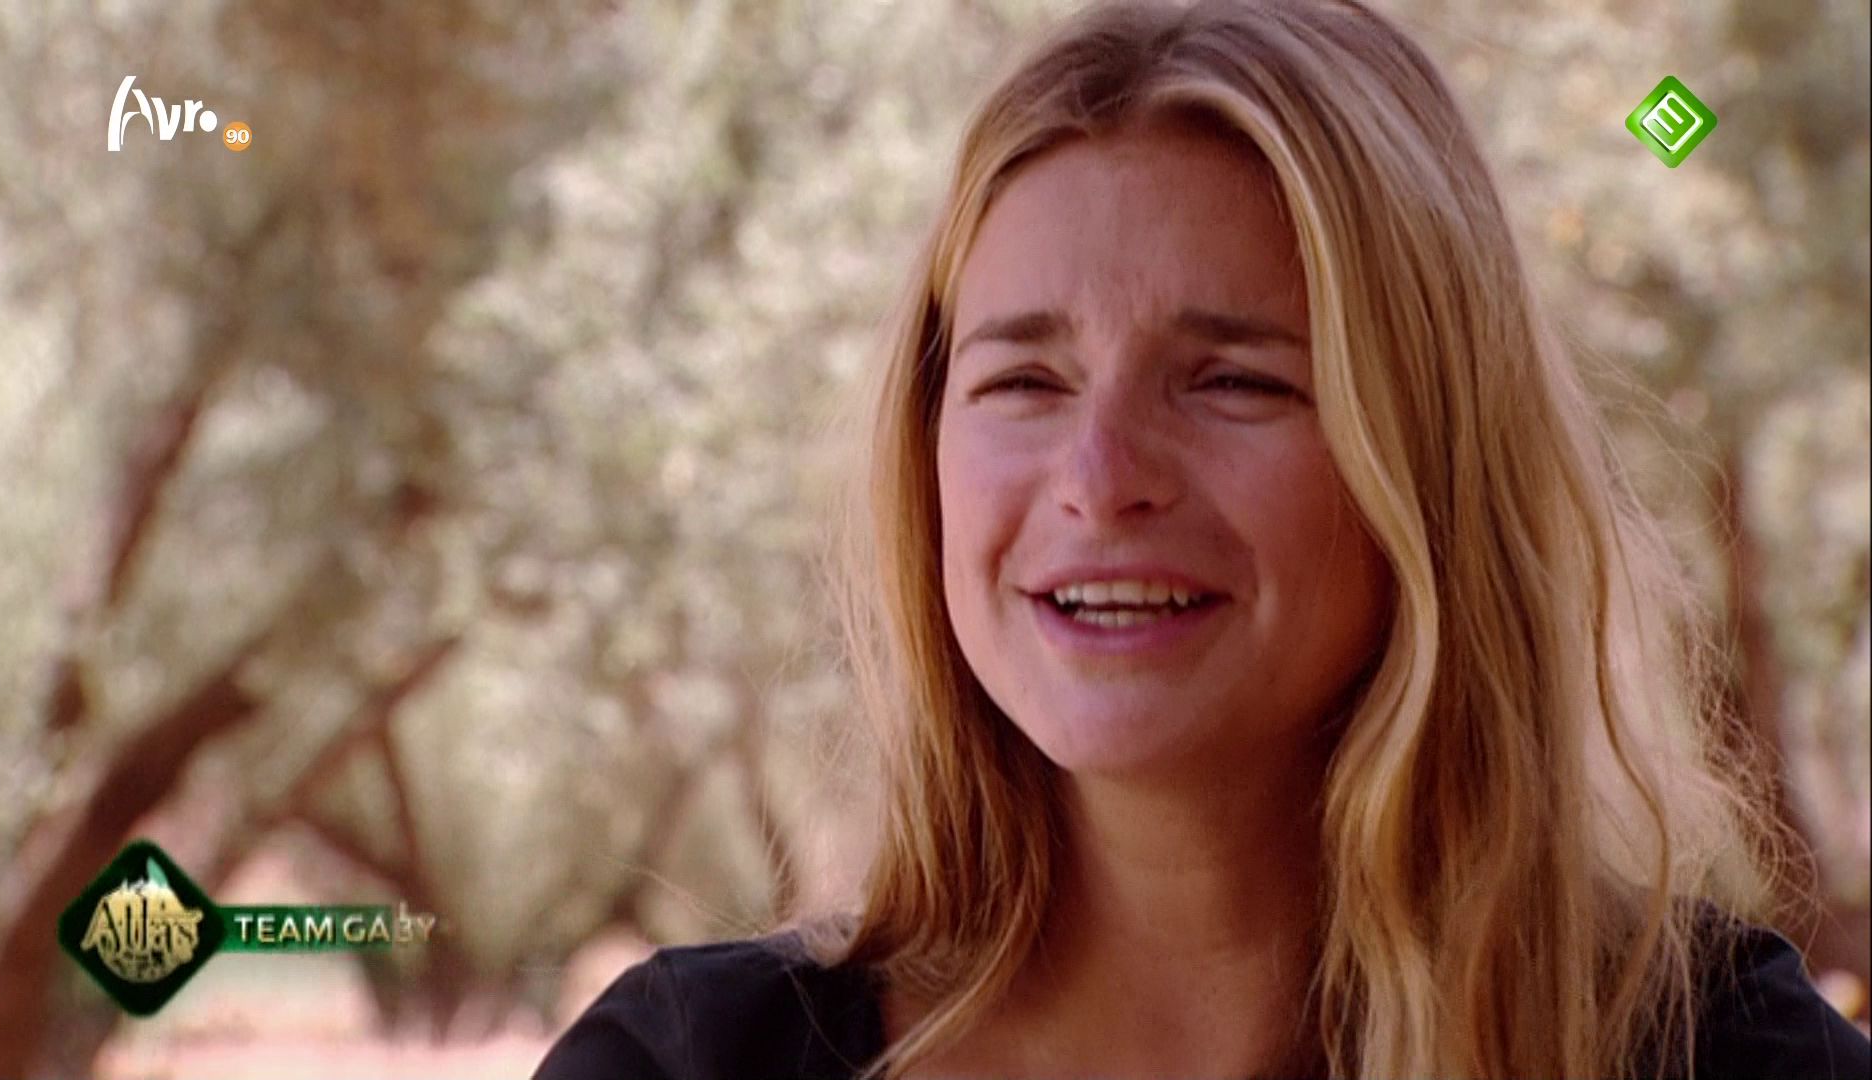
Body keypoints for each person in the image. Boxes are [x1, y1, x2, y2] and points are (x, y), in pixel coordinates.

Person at [533, 1, 1872, 1077]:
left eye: (1234, 380)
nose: (1100, 480)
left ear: (1428, 461)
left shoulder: (1722, 1057)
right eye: (1024, 380)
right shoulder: (690, 1062)